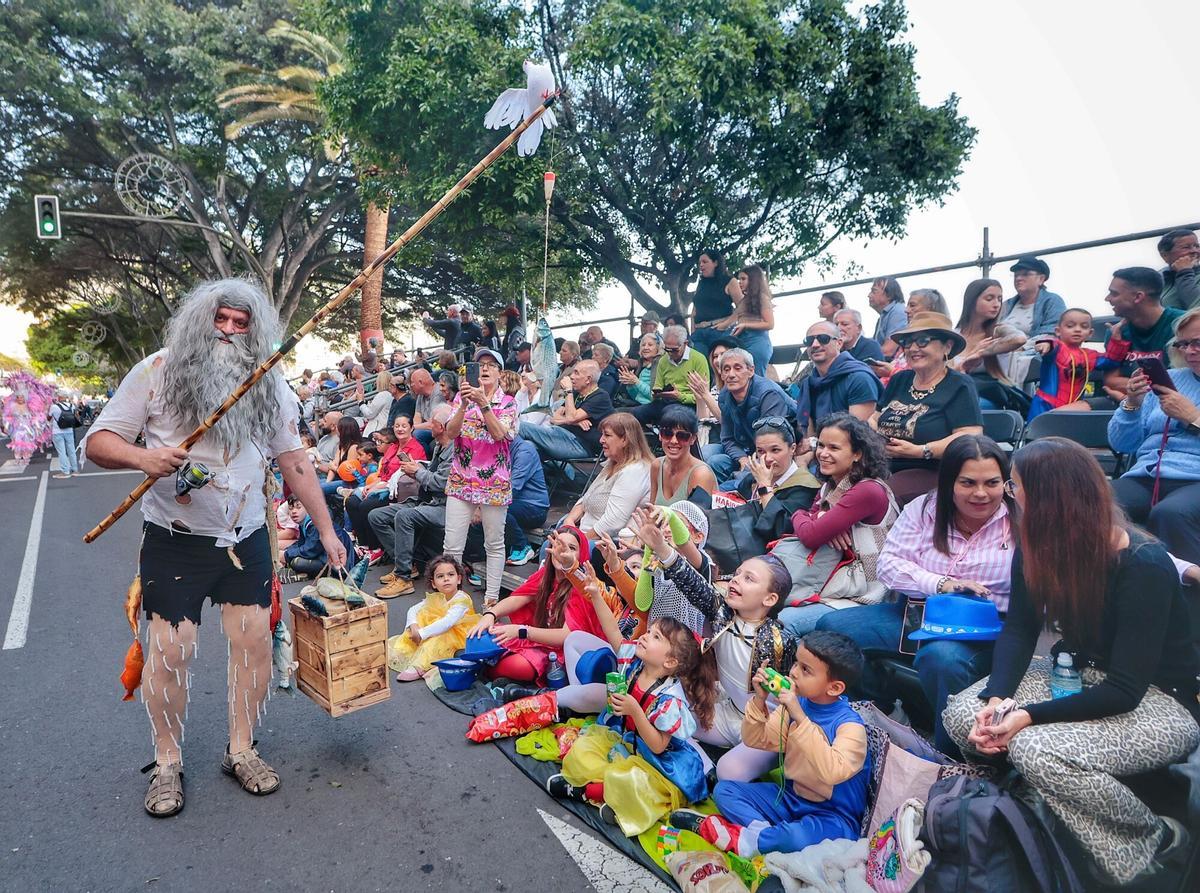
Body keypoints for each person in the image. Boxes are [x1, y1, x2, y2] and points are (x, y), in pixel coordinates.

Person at [84, 279, 347, 817]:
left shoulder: (267, 381)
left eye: (240, 323)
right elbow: (98, 442)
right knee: (170, 654)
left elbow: (295, 460)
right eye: (220, 320)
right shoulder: (157, 371)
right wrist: (143, 460)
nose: (228, 331)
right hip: (175, 542)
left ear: (256, 330)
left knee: (251, 646)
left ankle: (242, 749)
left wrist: (325, 530)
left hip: (247, 538)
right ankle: (166, 763)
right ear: (199, 320)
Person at [945, 438, 1200, 886]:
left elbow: (1124, 690)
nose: (1009, 493)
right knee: (965, 713)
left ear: (1047, 498)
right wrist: (998, 696)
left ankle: (1154, 838)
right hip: (1077, 675)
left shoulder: (1143, 563)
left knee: (1034, 746)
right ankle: (1035, 807)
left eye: (1015, 485)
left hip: (1161, 701)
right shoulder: (1038, 545)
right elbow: (1021, 630)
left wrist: (1025, 716)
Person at [817, 435, 1013, 756]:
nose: (980, 493)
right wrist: (941, 583)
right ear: (949, 482)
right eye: (968, 482)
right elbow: (889, 564)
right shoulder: (925, 509)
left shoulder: (1016, 523)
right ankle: (884, 714)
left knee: (941, 658)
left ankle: (950, 757)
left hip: (980, 631)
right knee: (830, 629)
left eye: (991, 483)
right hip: (915, 614)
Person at [671, 630, 870, 859]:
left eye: (805, 670)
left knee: (797, 838)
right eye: (796, 663)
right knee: (725, 791)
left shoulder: (850, 726)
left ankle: (750, 839)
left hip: (832, 815)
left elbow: (832, 771)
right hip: (792, 799)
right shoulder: (799, 703)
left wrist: (800, 716)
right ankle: (766, 838)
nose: (793, 672)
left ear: (834, 688)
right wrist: (759, 700)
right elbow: (757, 740)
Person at [548, 593, 714, 836]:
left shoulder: (669, 699)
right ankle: (608, 796)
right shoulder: (634, 664)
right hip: (624, 742)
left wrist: (635, 711)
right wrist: (595, 594)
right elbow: (614, 632)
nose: (645, 635)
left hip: (657, 763)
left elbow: (658, 746)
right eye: (650, 631)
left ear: (669, 662)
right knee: (583, 752)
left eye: (656, 636)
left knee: (638, 784)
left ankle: (587, 792)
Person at [648, 519, 799, 780]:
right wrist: (662, 548)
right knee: (664, 711)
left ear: (769, 599)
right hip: (728, 710)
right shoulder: (723, 613)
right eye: (737, 574)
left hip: (764, 725)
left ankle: (731, 764)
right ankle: (707, 766)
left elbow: (795, 693)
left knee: (729, 772)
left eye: (748, 578)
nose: (736, 580)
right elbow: (692, 584)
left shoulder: (779, 641)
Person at [778, 414, 897, 636]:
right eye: (821, 445)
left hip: (866, 595)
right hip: (830, 584)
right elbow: (802, 531)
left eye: (834, 447)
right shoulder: (829, 488)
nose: (823, 453)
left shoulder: (868, 490)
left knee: (783, 623)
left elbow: (810, 535)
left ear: (857, 454)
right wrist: (821, 520)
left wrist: (804, 515)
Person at [1108, 307, 1200, 565]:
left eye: (1198, 343)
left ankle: (1189, 596)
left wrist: (1192, 417)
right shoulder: (1170, 378)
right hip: (1146, 474)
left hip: (1195, 479)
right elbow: (1121, 443)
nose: (1190, 351)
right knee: (1092, 500)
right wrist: (1132, 403)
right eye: (1184, 344)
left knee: (1170, 513)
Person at [468, 527, 616, 684]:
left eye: (571, 548)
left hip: (566, 654)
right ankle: (483, 664)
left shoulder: (582, 585)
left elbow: (567, 636)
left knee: (520, 666)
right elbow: (517, 599)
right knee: (482, 635)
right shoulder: (546, 575)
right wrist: (490, 615)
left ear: (582, 555)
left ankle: (479, 669)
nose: (563, 552)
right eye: (558, 545)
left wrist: (522, 632)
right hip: (537, 639)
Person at [872, 312, 983, 503]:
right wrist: (877, 438)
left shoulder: (959, 385)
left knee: (875, 497)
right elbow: (873, 418)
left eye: (923, 341)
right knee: (841, 488)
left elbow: (970, 435)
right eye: (907, 342)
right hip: (882, 464)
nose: (913, 348)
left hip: (932, 470)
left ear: (947, 346)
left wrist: (920, 450)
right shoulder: (900, 379)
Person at [442, 348, 517, 607]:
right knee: (451, 545)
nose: (484, 368)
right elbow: (451, 434)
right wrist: (464, 404)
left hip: (494, 483)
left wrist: (484, 405)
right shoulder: (459, 400)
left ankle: (491, 600)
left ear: (499, 372)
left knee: (494, 544)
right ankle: (451, 601)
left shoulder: (508, 403)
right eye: (480, 364)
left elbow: (500, 435)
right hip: (462, 481)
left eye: (490, 364)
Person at [1069, 267, 1184, 411]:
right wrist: (1136, 394)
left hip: (1174, 403)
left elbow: (1184, 383)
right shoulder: (1116, 332)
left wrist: (1133, 389)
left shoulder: (1182, 325)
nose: (1107, 299)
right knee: (1055, 418)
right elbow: (1111, 381)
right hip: (1121, 399)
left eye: (1114, 293)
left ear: (1138, 297)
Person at [371, 404, 455, 598]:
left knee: (404, 516)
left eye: (432, 423)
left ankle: (404, 577)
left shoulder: (452, 451)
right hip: (426, 500)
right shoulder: (438, 446)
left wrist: (417, 471)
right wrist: (419, 468)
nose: (427, 427)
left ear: (441, 427)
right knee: (376, 516)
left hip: (443, 505)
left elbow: (441, 485)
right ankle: (407, 564)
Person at [703, 348, 798, 484]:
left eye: (737, 368)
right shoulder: (724, 395)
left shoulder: (768, 394)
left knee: (741, 480)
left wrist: (749, 463)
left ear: (751, 371)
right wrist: (742, 459)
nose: (731, 374)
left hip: (771, 452)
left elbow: (770, 442)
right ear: (721, 374)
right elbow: (727, 437)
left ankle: (731, 494)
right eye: (726, 369)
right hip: (746, 450)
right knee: (709, 455)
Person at [558, 412, 653, 540]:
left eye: (607, 435)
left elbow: (613, 522)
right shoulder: (612, 463)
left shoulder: (635, 471)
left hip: (605, 543)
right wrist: (570, 520)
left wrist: (579, 543)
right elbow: (586, 498)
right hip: (583, 533)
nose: (601, 440)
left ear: (625, 439)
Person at [388, 555, 480, 682]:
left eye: (451, 575)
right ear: (434, 583)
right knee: (421, 615)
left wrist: (422, 633)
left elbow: (447, 622)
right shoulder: (437, 597)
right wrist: (414, 626)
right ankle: (405, 652)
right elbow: (413, 609)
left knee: (439, 637)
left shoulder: (462, 599)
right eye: (440, 576)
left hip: (459, 636)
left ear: (458, 579)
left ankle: (421, 665)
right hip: (435, 630)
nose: (446, 579)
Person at [737, 417, 820, 541]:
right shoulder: (752, 479)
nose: (767, 458)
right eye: (760, 451)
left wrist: (764, 487)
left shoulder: (805, 487)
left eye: (775, 450)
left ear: (792, 449)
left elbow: (781, 529)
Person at [952, 279, 1029, 410]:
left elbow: (1020, 339)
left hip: (990, 396)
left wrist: (982, 352)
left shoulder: (999, 330)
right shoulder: (954, 336)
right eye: (989, 299)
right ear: (972, 301)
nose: (996, 304)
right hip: (960, 392)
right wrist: (967, 361)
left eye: (999, 299)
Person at [794, 321, 881, 434]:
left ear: (839, 343)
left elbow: (860, 434)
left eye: (823, 339)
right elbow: (808, 434)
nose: (815, 344)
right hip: (820, 447)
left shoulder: (859, 378)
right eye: (809, 341)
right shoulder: (809, 383)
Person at [521, 359, 614, 463]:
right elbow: (553, 418)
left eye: (576, 373)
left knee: (521, 426)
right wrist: (576, 422)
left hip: (580, 445)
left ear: (588, 379)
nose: (571, 377)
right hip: (560, 436)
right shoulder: (576, 394)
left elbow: (571, 417)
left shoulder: (600, 397)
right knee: (527, 446)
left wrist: (568, 392)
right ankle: (566, 475)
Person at [1028, 308, 1111, 418]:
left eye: (1084, 326)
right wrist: (1045, 344)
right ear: (1058, 331)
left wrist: (1116, 339)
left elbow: (1112, 360)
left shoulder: (1090, 355)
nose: (1077, 330)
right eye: (1070, 326)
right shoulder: (1057, 348)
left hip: (1074, 407)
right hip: (1045, 404)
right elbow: (1051, 343)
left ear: (1090, 333)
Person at [629, 325, 710, 424]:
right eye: (667, 350)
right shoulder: (663, 360)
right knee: (633, 414)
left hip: (690, 404)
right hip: (665, 401)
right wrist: (657, 393)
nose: (670, 353)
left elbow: (704, 394)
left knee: (670, 414)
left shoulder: (698, 359)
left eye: (674, 350)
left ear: (685, 344)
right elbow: (657, 386)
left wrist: (680, 396)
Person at [707, 264, 776, 375]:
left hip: (757, 342)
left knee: (755, 377)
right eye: (739, 279)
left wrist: (745, 325)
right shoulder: (744, 300)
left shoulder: (762, 298)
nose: (740, 282)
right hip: (743, 341)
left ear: (753, 280)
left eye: (743, 279)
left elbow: (770, 324)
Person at [648, 405, 717, 506]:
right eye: (667, 434)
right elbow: (652, 508)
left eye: (682, 436)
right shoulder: (657, 466)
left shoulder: (701, 474)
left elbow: (696, 519)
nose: (674, 441)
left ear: (693, 438)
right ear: (660, 435)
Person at [998, 256, 1067, 346]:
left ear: (1041, 279)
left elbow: (1051, 334)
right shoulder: (1006, 304)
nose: (1018, 278)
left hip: (1032, 356)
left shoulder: (1053, 301)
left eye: (1026, 274)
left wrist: (1021, 347)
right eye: (1016, 275)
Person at [282, 495, 356, 578]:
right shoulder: (304, 524)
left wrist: (286, 555)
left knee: (297, 562)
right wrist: (287, 551)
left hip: (337, 561)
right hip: (322, 556)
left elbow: (310, 550)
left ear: (308, 508)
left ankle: (324, 573)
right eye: (291, 508)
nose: (294, 511)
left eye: (298, 507)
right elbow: (301, 543)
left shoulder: (314, 524)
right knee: (293, 558)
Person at [689, 249, 735, 356]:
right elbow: (694, 310)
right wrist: (693, 331)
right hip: (699, 333)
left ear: (715, 263)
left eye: (705, 262)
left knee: (720, 366)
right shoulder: (701, 283)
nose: (701, 265)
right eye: (700, 263)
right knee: (700, 367)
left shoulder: (729, 281)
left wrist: (725, 324)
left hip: (719, 331)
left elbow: (742, 306)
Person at [1157, 228, 1200, 311]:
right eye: (1186, 247)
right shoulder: (1157, 279)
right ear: (1165, 255)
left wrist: (1184, 272)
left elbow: (1196, 306)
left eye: (1197, 246)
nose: (1195, 251)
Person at [617, 332, 662, 405]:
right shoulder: (644, 369)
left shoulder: (661, 366)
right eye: (643, 345)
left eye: (650, 345)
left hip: (653, 407)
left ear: (658, 347)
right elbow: (637, 397)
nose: (645, 347)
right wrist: (630, 384)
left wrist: (637, 381)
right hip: (639, 405)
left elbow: (656, 396)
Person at [868, 276, 907, 358]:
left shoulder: (898, 312)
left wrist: (862, 357)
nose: (869, 295)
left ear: (889, 295)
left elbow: (888, 350)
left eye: (874, 291)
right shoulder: (883, 316)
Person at [408, 368, 445, 451]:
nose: (411, 385)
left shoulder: (438, 393)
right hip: (426, 427)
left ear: (420, 383)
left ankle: (426, 460)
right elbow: (417, 416)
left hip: (438, 429)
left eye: (412, 382)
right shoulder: (420, 395)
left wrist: (412, 428)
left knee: (416, 434)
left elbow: (433, 423)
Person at [49, 390, 81, 478]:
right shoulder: (71, 406)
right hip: (69, 431)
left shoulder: (54, 407)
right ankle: (75, 470)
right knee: (71, 451)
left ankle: (65, 471)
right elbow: (76, 416)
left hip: (57, 432)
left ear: (58, 397)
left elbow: (48, 418)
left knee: (62, 452)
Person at [358, 369, 393, 435]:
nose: (376, 383)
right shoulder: (390, 394)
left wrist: (360, 401)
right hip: (382, 426)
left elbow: (369, 414)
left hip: (377, 428)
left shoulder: (383, 395)